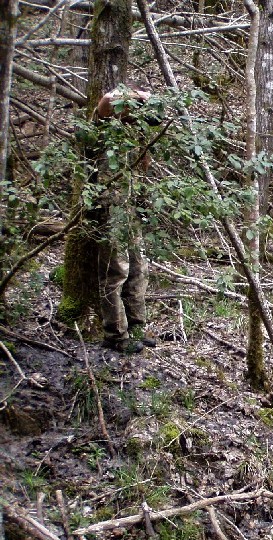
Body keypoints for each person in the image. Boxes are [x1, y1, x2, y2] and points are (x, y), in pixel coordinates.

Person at [93, 86, 156, 354]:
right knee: (115, 270)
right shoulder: (105, 122)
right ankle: (115, 334)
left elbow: (144, 166)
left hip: (132, 203)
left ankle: (137, 327)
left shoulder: (135, 132)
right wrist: (139, 96)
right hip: (111, 204)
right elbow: (106, 101)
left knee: (138, 268)